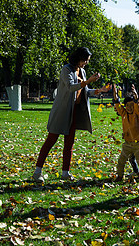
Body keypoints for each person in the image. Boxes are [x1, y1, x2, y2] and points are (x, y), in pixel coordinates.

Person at [31, 47, 110, 183]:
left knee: (69, 143)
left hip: (75, 112)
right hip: (62, 111)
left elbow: (84, 90)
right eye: (85, 60)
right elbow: (71, 87)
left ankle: (65, 173)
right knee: (51, 141)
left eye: (87, 61)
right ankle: (37, 172)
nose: (86, 63)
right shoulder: (66, 69)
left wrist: (98, 90)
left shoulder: (83, 71)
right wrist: (88, 81)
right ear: (78, 58)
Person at [113, 84, 139, 182]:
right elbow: (117, 104)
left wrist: (136, 95)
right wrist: (115, 94)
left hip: (138, 143)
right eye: (127, 106)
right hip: (127, 143)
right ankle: (120, 176)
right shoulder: (124, 113)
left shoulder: (137, 113)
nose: (129, 107)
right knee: (121, 161)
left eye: (131, 105)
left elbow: (138, 104)